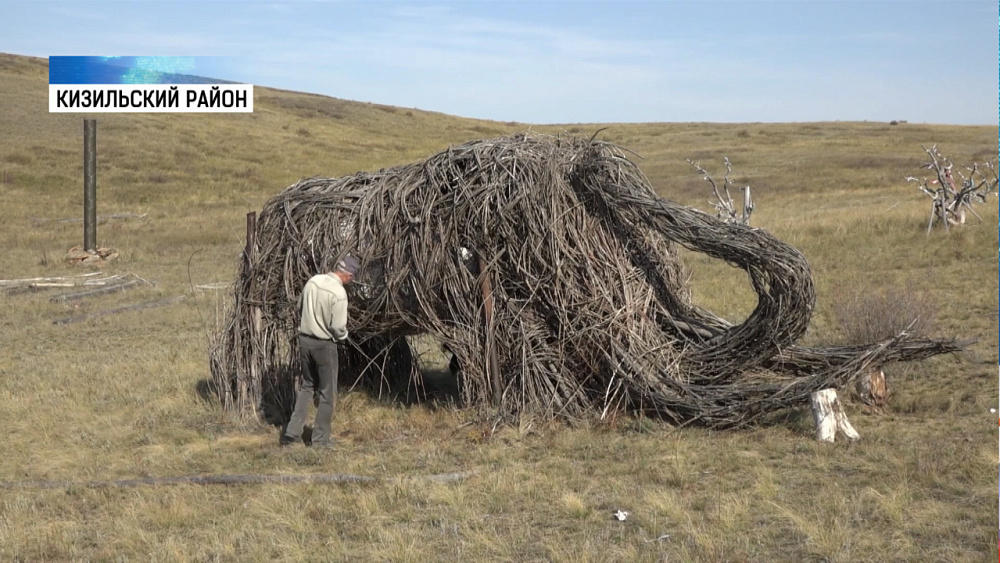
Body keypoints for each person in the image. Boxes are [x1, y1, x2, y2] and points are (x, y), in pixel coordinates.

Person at [281, 255, 360, 448]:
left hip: (304, 341)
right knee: (327, 393)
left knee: (307, 387)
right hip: (324, 346)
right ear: (348, 276)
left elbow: (299, 307)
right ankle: (320, 440)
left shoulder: (313, 281)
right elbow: (338, 327)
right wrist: (344, 337)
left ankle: (291, 433)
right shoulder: (339, 294)